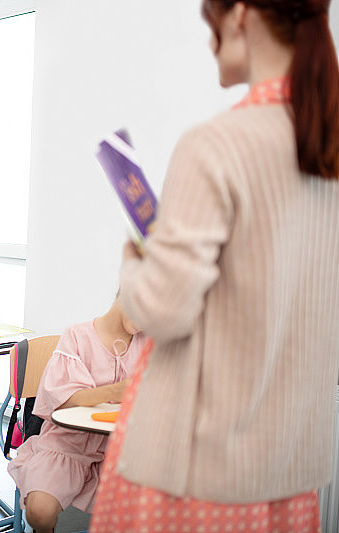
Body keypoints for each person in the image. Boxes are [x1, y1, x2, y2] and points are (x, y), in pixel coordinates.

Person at [90, 1, 339, 531]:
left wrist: (135, 259)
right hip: (291, 466)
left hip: (200, 472)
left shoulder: (217, 145)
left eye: (211, 25)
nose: (209, 43)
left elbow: (162, 311)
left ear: (240, 15)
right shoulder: (327, 149)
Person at [7, 296, 148, 533]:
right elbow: (64, 399)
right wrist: (117, 391)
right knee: (39, 512)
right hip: (66, 444)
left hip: (121, 450)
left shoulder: (149, 344)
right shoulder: (77, 336)